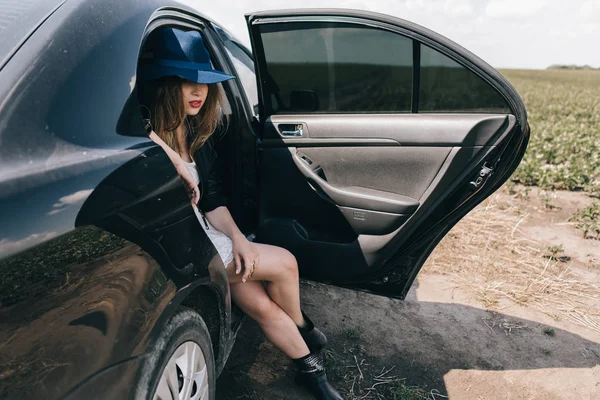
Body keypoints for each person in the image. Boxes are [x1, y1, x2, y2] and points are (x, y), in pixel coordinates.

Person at [136, 27, 344, 400]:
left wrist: (236, 238)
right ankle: (305, 330)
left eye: (205, 82)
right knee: (286, 264)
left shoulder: (196, 133)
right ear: (167, 84)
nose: (199, 91)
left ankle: (311, 373)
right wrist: (171, 158)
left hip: (208, 235)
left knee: (261, 303)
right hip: (185, 246)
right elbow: (137, 138)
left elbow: (212, 199)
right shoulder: (144, 132)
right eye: (187, 82)